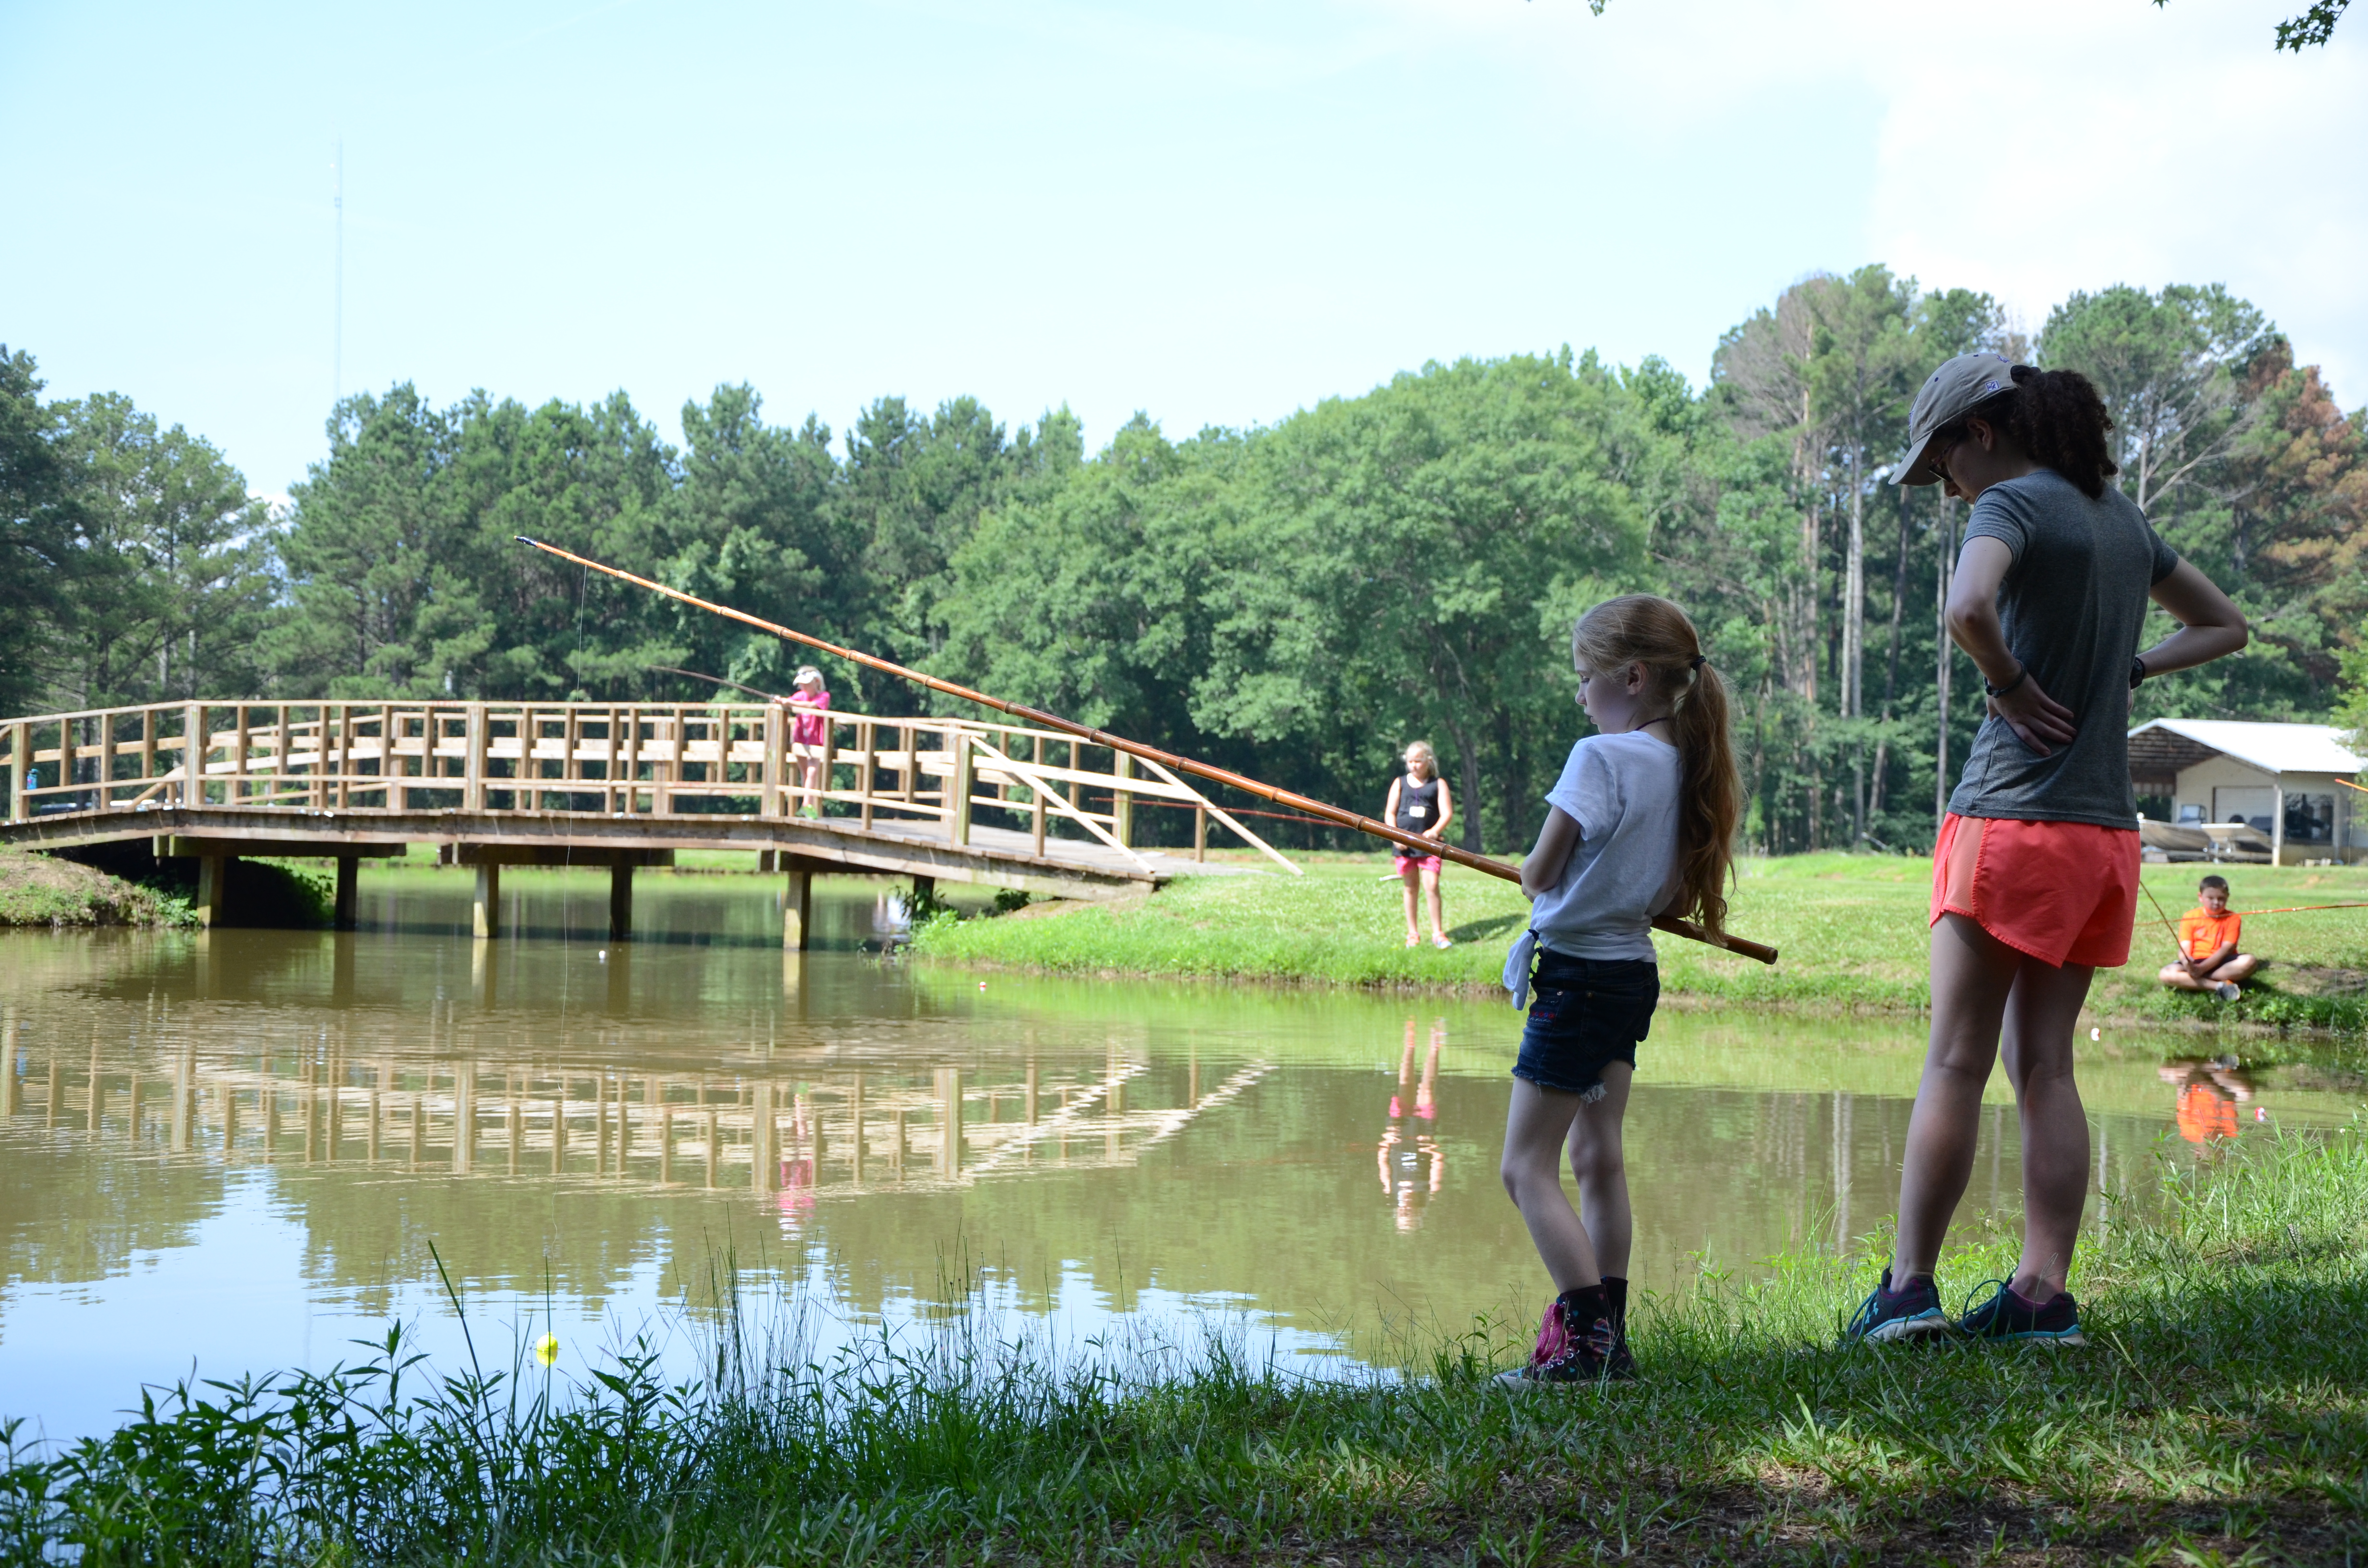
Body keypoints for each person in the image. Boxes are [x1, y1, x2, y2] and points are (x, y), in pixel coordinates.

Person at [1844, 355, 2248, 1349]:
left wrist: (2009, 683)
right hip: (2101, 835)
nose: (1947, 492)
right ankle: (2039, 1298)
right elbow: (2225, 625)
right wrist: (2131, 666)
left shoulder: (2012, 507)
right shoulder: (2118, 518)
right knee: (2047, 1069)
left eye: (1942, 467)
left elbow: (1966, 610)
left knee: (1952, 1060)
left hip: (2009, 820)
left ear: (1980, 432)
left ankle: (1907, 1294)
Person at [1495, 595, 1741, 1385]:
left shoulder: (1597, 757)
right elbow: (1665, 899)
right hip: (1630, 978)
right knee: (1596, 1157)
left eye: (1586, 678)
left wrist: (1538, 876)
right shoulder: (1689, 766)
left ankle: (1584, 1345)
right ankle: (1612, 1338)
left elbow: (1537, 875)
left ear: (1630, 677)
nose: (1579, 696)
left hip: (1572, 981)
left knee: (1524, 1167)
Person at [1384, 741, 1455, 948]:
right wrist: (1396, 835)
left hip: (1431, 846)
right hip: (1404, 846)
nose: (1413, 765)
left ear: (1428, 761)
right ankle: (1413, 934)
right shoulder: (1399, 783)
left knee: (1431, 885)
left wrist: (1434, 831)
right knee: (1410, 887)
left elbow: (1447, 813)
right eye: (1410, 761)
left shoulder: (1438, 784)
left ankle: (1438, 933)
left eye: (1418, 761)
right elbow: (1390, 813)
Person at [2158, 875, 2259, 1000]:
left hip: (2222, 963)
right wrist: (2187, 963)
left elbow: (2227, 949)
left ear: (2228, 897)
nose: (2216, 903)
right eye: (2210, 898)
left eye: (2221, 898)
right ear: (2201, 897)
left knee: (2249, 962)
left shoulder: (2233, 918)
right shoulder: (2190, 916)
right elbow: (2185, 947)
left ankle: (2192, 980)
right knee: (2165, 974)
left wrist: (2202, 970)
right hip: (2195, 962)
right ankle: (2219, 986)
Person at [781, 666, 830, 817]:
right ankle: (808, 804)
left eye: (807, 684)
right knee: (805, 772)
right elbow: (788, 703)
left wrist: (789, 703)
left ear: (817, 682)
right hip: (800, 739)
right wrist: (781, 701)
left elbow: (811, 706)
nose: (804, 687)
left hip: (816, 740)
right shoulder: (800, 696)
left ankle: (807, 805)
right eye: (802, 684)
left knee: (812, 771)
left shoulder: (824, 696)